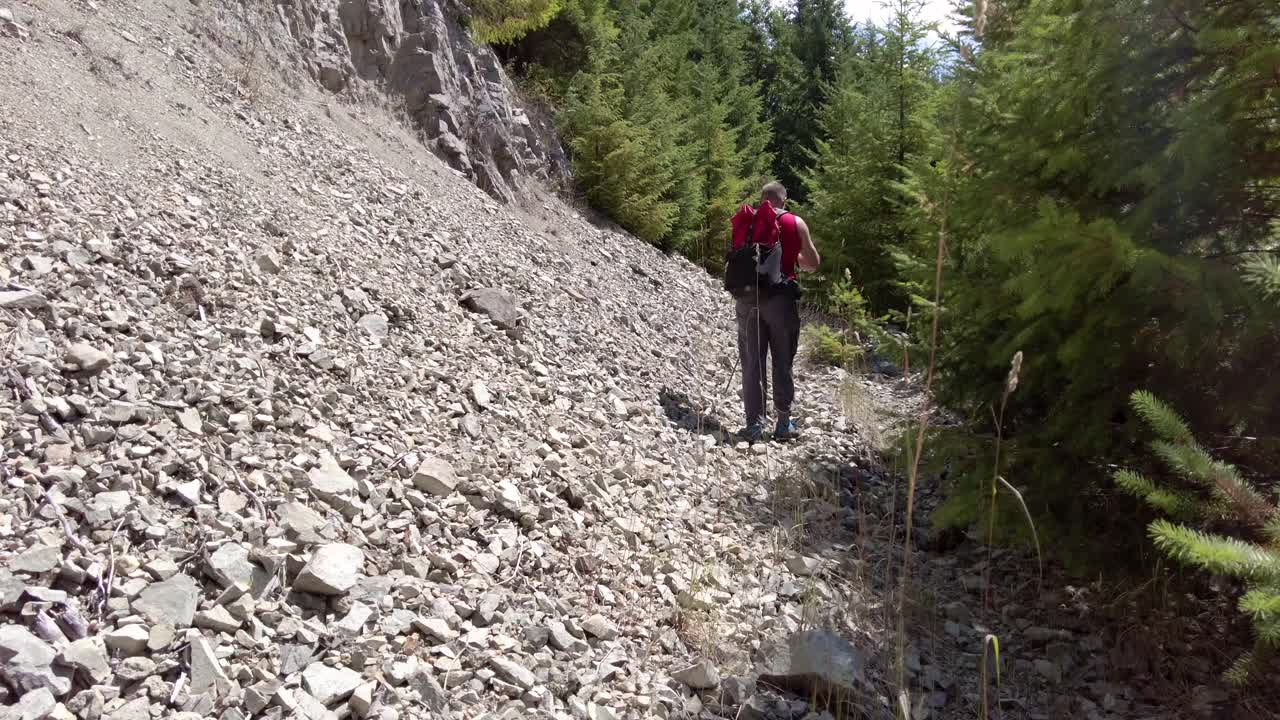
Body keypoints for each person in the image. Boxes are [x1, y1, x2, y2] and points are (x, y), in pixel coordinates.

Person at [736, 181, 821, 441]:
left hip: (749, 299)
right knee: (783, 360)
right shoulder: (795, 223)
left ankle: (754, 425)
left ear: (764, 199)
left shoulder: (749, 221)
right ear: (784, 201)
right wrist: (794, 258)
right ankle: (783, 424)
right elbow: (813, 263)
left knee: (752, 361)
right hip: (781, 301)